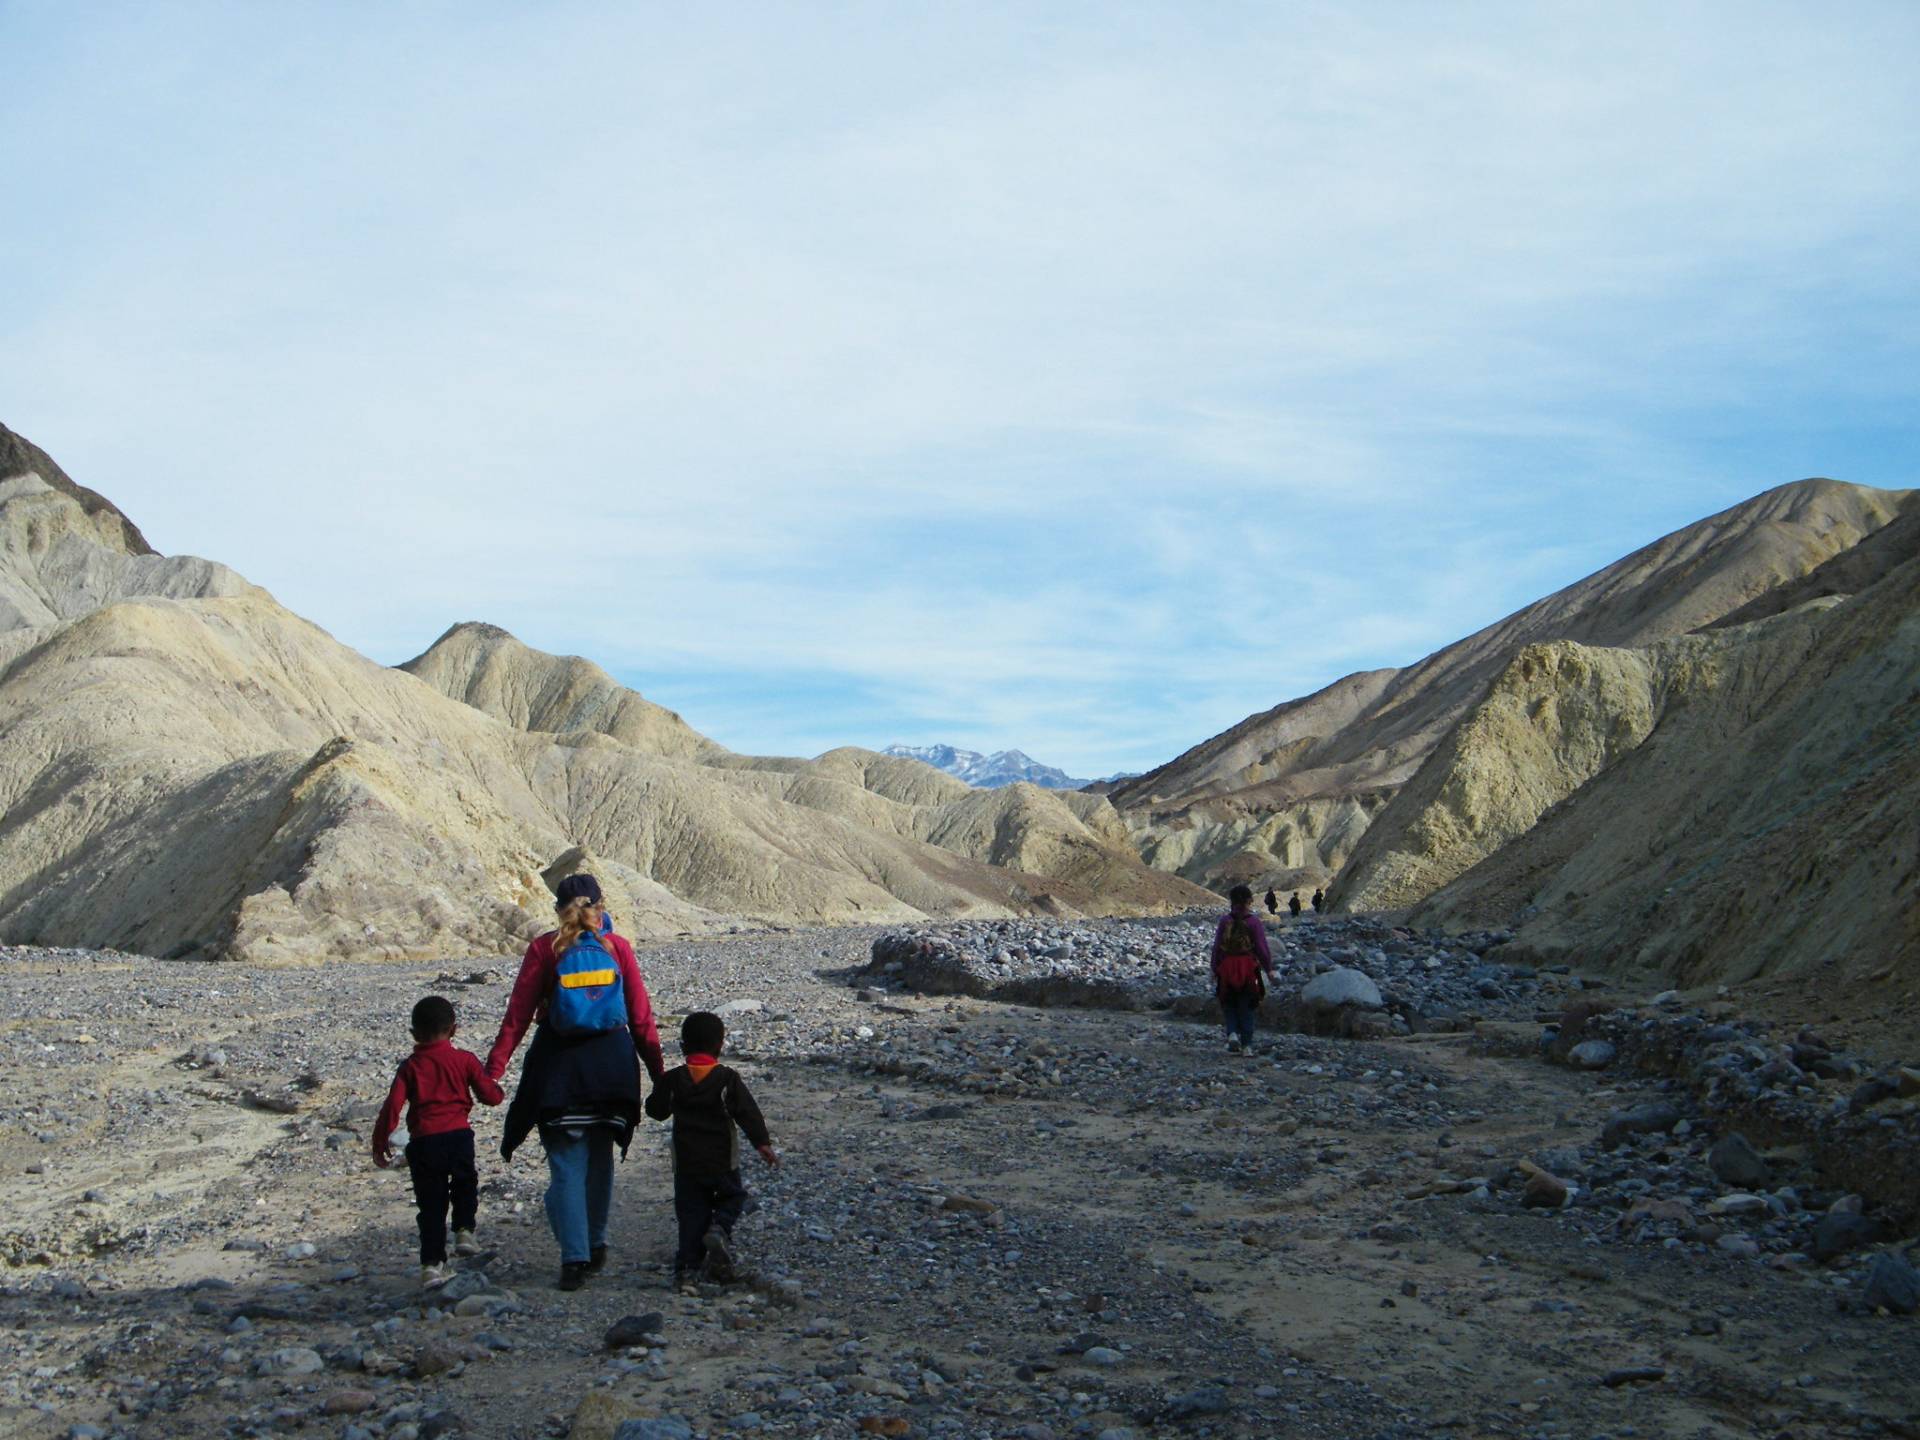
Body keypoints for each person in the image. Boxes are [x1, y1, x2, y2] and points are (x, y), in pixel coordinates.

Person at [486, 874, 666, 1291]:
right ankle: (596, 1242)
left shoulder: (544, 949)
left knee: (566, 1164)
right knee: (600, 1158)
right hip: (612, 1069)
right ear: (601, 907)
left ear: (557, 909)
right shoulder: (616, 948)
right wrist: (658, 1074)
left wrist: (493, 1071)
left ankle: (574, 1259)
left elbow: (516, 1019)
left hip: (559, 1070)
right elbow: (640, 1018)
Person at [372, 996, 505, 1288]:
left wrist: (381, 1140)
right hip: (458, 1136)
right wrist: (497, 1091)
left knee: (430, 1205)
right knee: (465, 1183)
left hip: (423, 1143)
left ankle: (432, 1264)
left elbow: (392, 1106)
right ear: (454, 1029)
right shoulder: (465, 1060)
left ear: (413, 1034)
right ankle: (464, 1230)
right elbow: (489, 1096)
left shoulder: (410, 1067)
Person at [645, 1010, 778, 1286]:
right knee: (733, 1197)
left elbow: (655, 1111)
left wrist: (660, 1091)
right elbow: (748, 1113)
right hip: (721, 1159)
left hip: (687, 1161)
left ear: (683, 1046)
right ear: (720, 1044)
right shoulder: (726, 1080)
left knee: (691, 1211)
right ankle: (719, 1228)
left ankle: (687, 1266)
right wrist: (762, 1143)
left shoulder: (674, 1080)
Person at [1210, 884, 1275, 1054]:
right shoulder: (1254, 922)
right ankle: (1247, 1045)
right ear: (1249, 901)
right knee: (1247, 1005)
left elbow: (1217, 946)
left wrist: (1214, 968)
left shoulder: (1225, 921)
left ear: (1231, 901)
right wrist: (1269, 969)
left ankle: (1232, 1033)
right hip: (1247, 968)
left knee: (1229, 1003)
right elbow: (1261, 947)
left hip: (1227, 967)